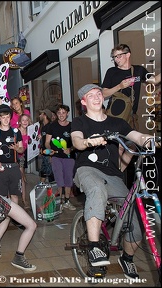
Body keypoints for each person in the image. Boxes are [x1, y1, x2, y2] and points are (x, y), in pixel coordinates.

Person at [71, 83, 160, 280]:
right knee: (96, 190)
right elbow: (76, 140)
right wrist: (87, 142)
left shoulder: (117, 123)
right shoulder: (79, 122)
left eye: (98, 93)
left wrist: (150, 139)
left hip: (113, 175)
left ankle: (127, 258)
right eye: (90, 95)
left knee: (135, 222)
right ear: (83, 102)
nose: (96, 97)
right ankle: (94, 248)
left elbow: (137, 136)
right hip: (87, 169)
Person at [101, 44, 161, 130]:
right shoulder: (112, 71)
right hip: (115, 115)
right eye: (114, 57)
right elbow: (104, 93)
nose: (116, 59)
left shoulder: (139, 70)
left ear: (128, 55)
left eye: (119, 56)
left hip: (131, 116)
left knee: (132, 142)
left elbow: (154, 80)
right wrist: (119, 86)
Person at [45, 104, 76, 211]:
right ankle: (60, 201)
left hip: (69, 157)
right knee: (59, 178)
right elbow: (47, 143)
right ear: (56, 114)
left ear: (67, 113)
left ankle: (67, 200)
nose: (61, 115)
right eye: (59, 113)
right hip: (56, 157)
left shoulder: (72, 126)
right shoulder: (52, 126)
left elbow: (76, 142)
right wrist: (50, 151)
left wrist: (70, 149)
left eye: (63, 113)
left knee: (68, 178)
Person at [17, 114, 32, 208]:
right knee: (21, 177)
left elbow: (32, 143)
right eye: (23, 120)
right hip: (15, 156)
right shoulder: (16, 131)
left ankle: (23, 199)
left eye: (27, 120)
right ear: (20, 121)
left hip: (23, 156)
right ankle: (21, 199)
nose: (25, 122)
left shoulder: (30, 132)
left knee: (22, 178)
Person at [38, 109, 54, 183]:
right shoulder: (43, 127)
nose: (39, 116)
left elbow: (50, 142)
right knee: (43, 173)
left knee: (51, 174)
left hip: (48, 154)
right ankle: (40, 189)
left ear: (45, 115)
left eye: (41, 114)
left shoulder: (50, 126)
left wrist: (51, 155)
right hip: (44, 154)